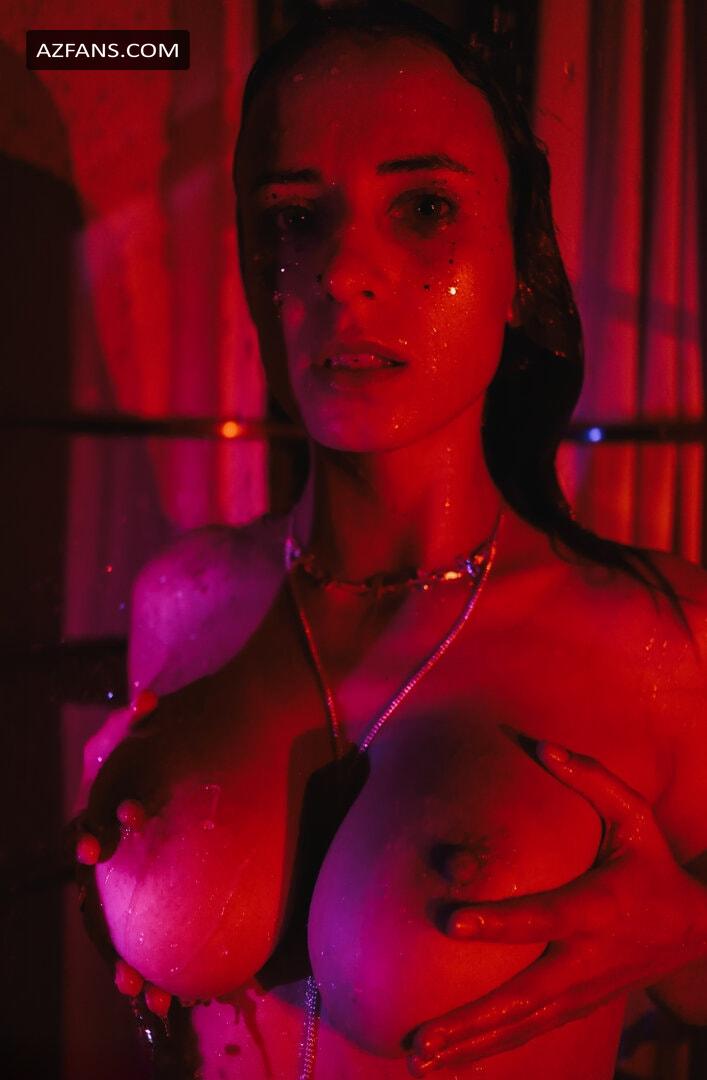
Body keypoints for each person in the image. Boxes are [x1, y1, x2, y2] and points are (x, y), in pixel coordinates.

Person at [77, 3, 707, 1077]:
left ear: (519, 266)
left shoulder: (659, 638)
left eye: (422, 208)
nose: (340, 272)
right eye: (292, 218)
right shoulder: (181, 599)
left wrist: (688, 936)